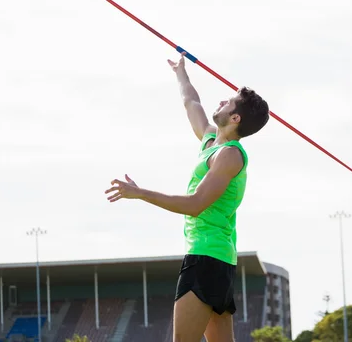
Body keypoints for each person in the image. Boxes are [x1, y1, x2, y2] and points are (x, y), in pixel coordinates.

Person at [104, 52, 270, 342]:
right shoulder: (210, 140)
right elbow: (191, 102)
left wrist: (140, 193)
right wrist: (181, 72)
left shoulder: (230, 155)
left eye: (227, 102)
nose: (220, 101)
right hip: (215, 257)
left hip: (207, 257)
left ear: (235, 117)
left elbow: (195, 205)